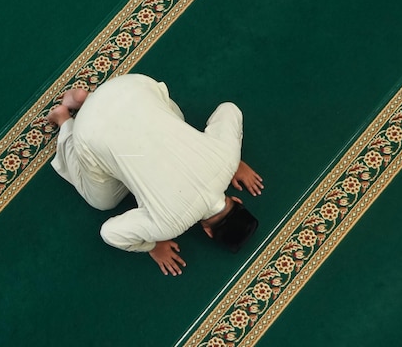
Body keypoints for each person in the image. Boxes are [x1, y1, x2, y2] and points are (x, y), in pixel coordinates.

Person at [47, 74, 263, 276]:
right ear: (208, 232)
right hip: (89, 129)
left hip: (130, 87)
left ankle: (88, 99)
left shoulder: (227, 158)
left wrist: (234, 159)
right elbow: (109, 233)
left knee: (174, 118)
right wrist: (152, 245)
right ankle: (65, 121)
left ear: (236, 200)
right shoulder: (168, 226)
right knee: (103, 201)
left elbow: (229, 109)